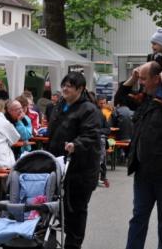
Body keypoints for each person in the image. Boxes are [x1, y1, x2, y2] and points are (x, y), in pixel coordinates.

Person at [115, 61, 162, 249]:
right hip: (144, 172)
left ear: (157, 78)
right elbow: (120, 99)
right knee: (138, 218)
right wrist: (131, 79)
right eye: (139, 78)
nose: (140, 83)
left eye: (143, 79)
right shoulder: (146, 98)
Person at [47, 72, 101, 249]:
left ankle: (73, 245)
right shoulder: (59, 106)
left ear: (80, 89)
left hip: (81, 168)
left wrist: (76, 145)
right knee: (54, 206)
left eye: (69, 86)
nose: (65, 89)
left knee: (76, 209)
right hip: (59, 164)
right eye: (63, 85)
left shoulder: (89, 109)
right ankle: (50, 242)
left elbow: (91, 134)